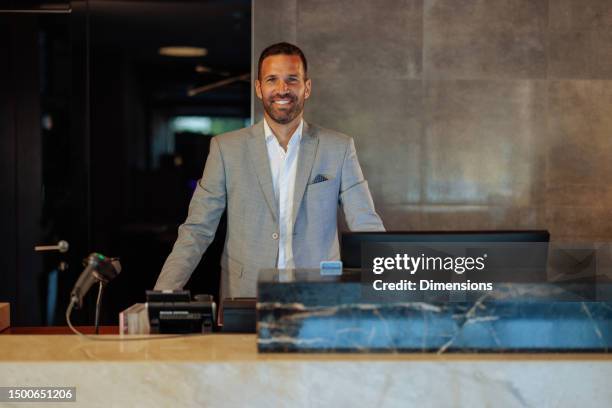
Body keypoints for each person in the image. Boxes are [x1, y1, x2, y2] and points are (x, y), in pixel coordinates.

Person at [154, 42, 384, 297]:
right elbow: (198, 229)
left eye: (292, 79)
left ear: (307, 88)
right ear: (259, 88)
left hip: (319, 294)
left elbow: (366, 223)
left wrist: (393, 287)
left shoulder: (338, 147)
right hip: (246, 294)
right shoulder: (225, 149)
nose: (282, 89)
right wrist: (163, 294)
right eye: (272, 79)